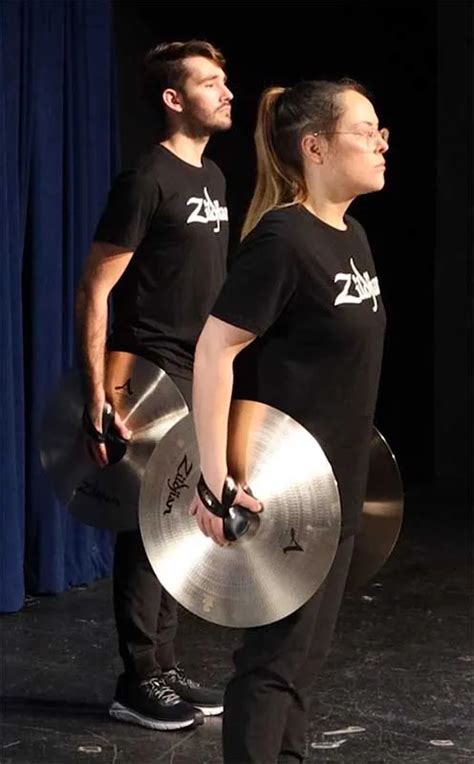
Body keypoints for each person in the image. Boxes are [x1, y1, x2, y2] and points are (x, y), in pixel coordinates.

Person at [190, 78, 388, 761]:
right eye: (365, 129)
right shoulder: (284, 238)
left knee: (304, 664)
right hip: (282, 491)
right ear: (315, 147)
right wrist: (214, 480)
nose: (381, 140)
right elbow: (216, 350)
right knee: (274, 666)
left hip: (337, 484)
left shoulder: (352, 236)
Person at [75, 40, 233, 731]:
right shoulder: (145, 179)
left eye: (225, 81)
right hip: (147, 374)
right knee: (148, 529)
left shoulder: (218, 180)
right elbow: (95, 289)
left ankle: (164, 666)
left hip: (199, 373)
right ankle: (137, 678)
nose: (226, 92)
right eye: (209, 82)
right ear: (174, 99)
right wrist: (98, 394)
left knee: (182, 527)